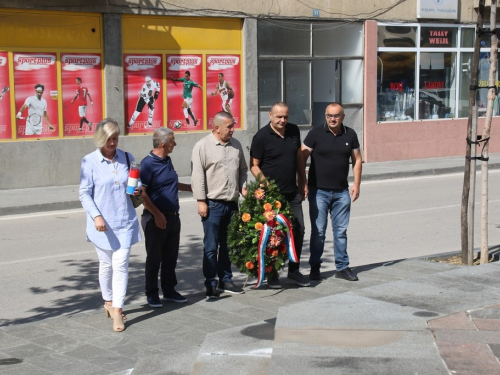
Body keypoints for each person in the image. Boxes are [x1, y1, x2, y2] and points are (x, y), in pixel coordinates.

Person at [79, 118, 142, 332]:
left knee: (121, 265)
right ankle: (107, 300)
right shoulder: (89, 161)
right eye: (109, 139)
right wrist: (96, 216)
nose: (113, 143)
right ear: (100, 139)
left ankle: (117, 310)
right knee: (106, 265)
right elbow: (84, 193)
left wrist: (137, 187)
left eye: (115, 138)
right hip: (102, 224)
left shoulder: (127, 157)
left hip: (125, 220)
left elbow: (135, 182)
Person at [250, 102, 309, 289]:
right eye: (279, 117)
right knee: (274, 234)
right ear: (270, 115)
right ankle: (272, 273)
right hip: (272, 196)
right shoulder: (261, 137)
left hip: (292, 193)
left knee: (298, 229)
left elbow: (299, 157)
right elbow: (254, 165)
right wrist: (265, 183)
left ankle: (294, 269)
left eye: (286, 117)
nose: (283, 120)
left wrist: (303, 180)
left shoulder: (293, 131)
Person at [300, 102, 362, 282]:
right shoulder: (315, 134)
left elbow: (357, 159)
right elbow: (302, 157)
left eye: (336, 116)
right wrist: (303, 181)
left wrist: (356, 184)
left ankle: (342, 267)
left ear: (343, 117)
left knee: (341, 232)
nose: (332, 119)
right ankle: (315, 267)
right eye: (329, 116)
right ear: (325, 117)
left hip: (342, 192)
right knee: (318, 232)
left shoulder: (350, 134)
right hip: (318, 192)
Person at [191, 111, 248, 299]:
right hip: (212, 204)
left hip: (231, 204)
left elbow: (243, 170)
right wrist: (201, 201)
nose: (233, 129)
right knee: (210, 246)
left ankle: (226, 279)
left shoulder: (236, 145)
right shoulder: (202, 146)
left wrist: (243, 188)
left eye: (233, 125)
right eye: (229, 126)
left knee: (228, 244)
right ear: (217, 127)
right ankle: (211, 283)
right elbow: (197, 176)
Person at [140, 128, 192, 308]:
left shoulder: (167, 160)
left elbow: (172, 184)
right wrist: (157, 214)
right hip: (155, 218)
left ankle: (169, 291)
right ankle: (152, 293)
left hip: (172, 217)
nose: (175, 144)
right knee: (154, 257)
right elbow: (141, 193)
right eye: (172, 141)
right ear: (163, 144)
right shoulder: (147, 164)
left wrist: (193, 188)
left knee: (170, 257)